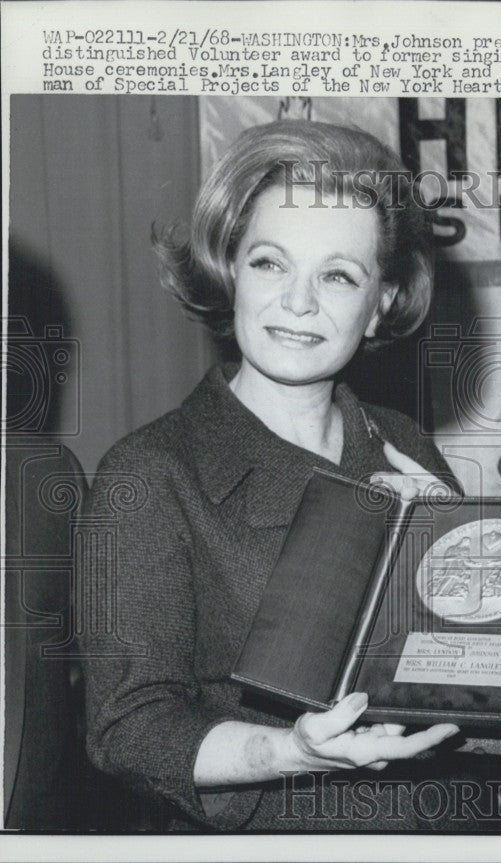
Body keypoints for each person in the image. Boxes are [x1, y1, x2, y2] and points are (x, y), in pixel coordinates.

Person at [81, 121, 467, 830]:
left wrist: (462, 561)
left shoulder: (405, 442)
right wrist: (291, 750)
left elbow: (472, 677)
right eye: (269, 263)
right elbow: (126, 730)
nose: (298, 302)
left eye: (338, 275)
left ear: (381, 300)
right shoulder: (149, 473)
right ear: (230, 270)